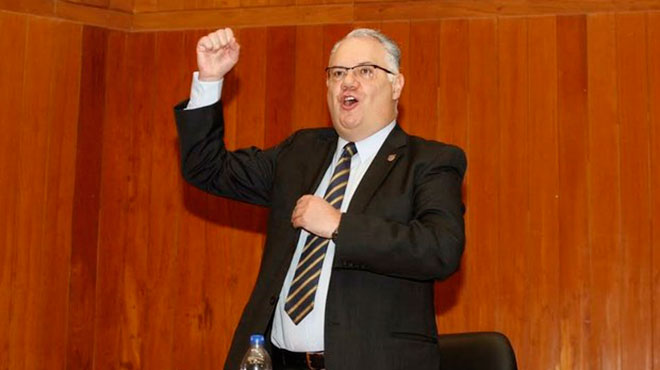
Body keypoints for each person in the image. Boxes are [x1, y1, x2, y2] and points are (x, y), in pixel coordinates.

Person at [174, 27, 467, 370]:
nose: (348, 82)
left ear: (396, 84)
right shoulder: (300, 152)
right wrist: (209, 80)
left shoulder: (428, 161)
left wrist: (339, 226)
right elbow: (207, 169)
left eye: (365, 71)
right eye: (338, 73)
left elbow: (441, 249)